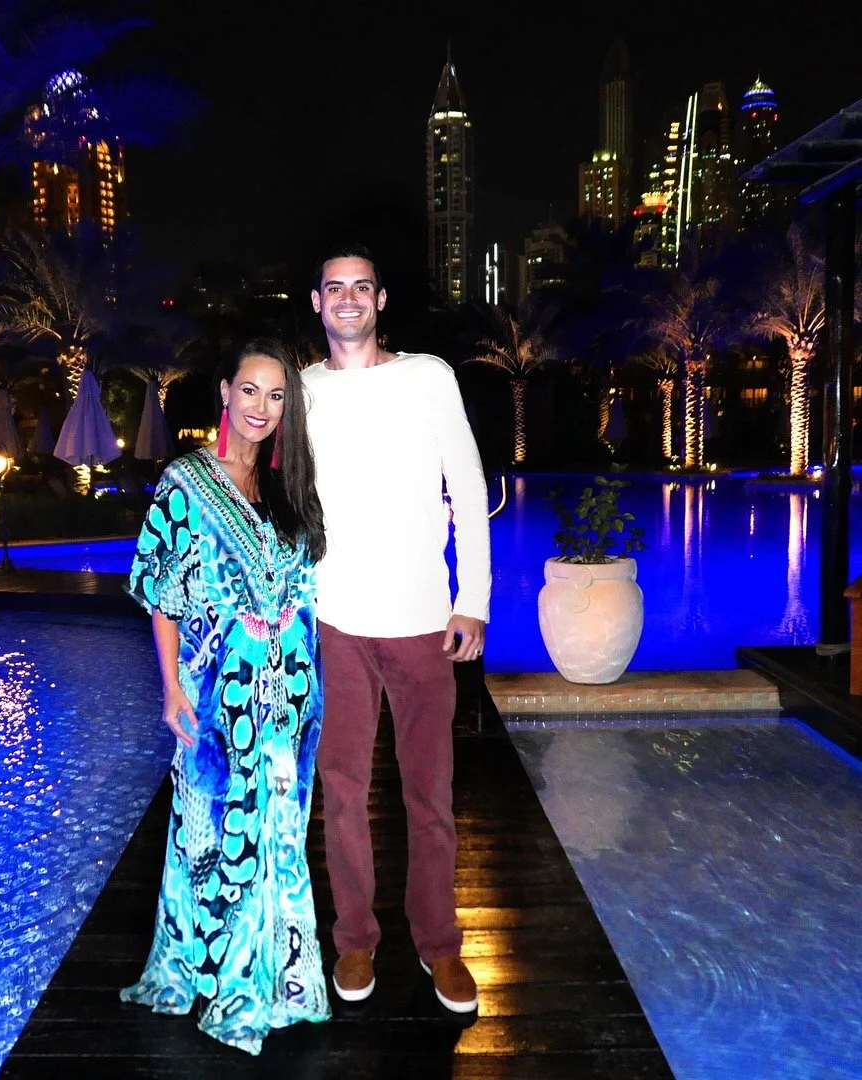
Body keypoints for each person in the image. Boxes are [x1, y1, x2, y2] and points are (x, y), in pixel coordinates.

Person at [120, 338, 331, 1055]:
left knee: (280, 832)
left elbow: (305, 587)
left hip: (292, 697)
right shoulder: (184, 482)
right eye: (250, 390)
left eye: (276, 395)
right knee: (214, 829)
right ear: (224, 392)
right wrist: (171, 688)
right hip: (217, 696)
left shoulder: (288, 486)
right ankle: (220, 972)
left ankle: (279, 978)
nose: (260, 408)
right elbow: (163, 595)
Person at [302, 244, 491, 1014]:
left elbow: (468, 485)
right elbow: (250, 467)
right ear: (316, 302)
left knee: (429, 794)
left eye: (361, 287)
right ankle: (354, 936)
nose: (348, 298)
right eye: (334, 288)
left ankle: (438, 943)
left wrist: (472, 598)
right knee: (342, 791)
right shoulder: (302, 389)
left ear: (380, 300)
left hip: (421, 621)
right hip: (333, 622)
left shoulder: (428, 377)